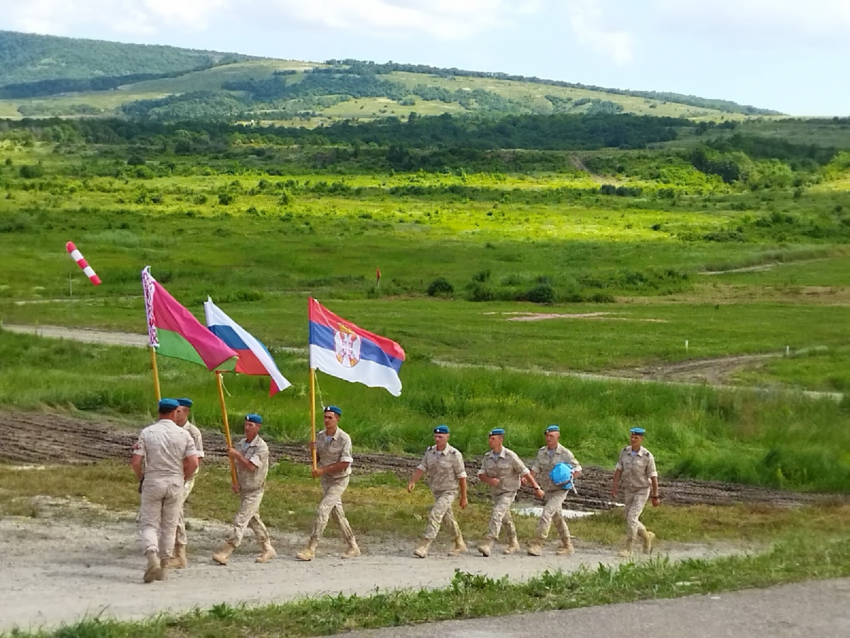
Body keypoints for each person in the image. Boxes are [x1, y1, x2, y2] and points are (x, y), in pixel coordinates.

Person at [131, 398, 199, 583]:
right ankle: (164, 564)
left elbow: (136, 462)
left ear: (159, 410)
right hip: (175, 480)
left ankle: (151, 555)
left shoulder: (148, 432)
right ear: (174, 412)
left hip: (153, 479)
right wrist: (183, 476)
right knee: (170, 525)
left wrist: (142, 478)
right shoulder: (184, 435)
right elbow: (193, 461)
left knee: (149, 524)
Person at [296, 405, 360, 561]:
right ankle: (353, 546)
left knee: (323, 510)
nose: (326, 420)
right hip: (326, 480)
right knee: (337, 514)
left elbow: (345, 463)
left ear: (337, 419)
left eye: (330, 418)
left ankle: (311, 548)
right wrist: (313, 451)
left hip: (339, 479)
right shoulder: (320, 436)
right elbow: (317, 458)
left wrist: (322, 470)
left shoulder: (344, 439)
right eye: (325, 417)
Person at [212, 413, 276, 565]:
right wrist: (235, 482)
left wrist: (237, 455)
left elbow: (251, 466)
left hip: (255, 489)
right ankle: (267, 548)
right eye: (246, 425)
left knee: (240, 520)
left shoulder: (261, 447)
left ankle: (226, 551)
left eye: (250, 425)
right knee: (253, 520)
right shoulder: (241, 444)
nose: (247, 428)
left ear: (258, 427)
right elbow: (236, 466)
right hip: (244, 488)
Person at [476, 428, 543, 557]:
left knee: (497, 513)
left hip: (509, 491)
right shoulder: (487, 457)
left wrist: (536, 487)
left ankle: (488, 542)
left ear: (501, 439)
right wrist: (489, 480)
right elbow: (481, 474)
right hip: (496, 492)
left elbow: (525, 472)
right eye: (489, 438)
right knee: (505, 518)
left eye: (493, 439)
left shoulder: (510, 456)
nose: (490, 441)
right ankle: (513, 543)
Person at [407, 424, 469, 558]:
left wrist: (464, 497)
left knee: (435, 514)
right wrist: (413, 481)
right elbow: (422, 467)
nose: (437, 439)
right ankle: (459, 543)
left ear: (447, 437)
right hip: (436, 490)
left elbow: (462, 477)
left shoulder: (455, 455)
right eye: (435, 436)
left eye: (440, 437)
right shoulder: (430, 452)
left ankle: (425, 545)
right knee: (447, 518)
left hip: (449, 491)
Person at [527, 425, 582, 556]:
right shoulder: (542, 452)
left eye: (551, 436)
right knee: (557, 518)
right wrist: (527, 479)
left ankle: (538, 544)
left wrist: (568, 478)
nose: (548, 438)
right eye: (547, 436)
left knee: (547, 513)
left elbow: (578, 469)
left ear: (558, 437)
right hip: (548, 489)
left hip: (560, 490)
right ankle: (568, 545)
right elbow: (536, 468)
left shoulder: (565, 453)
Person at [164, 397, 204, 569]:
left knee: (176, 507)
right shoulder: (169, 428)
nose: (175, 414)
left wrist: (183, 473)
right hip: (170, 474)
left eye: (179, 411)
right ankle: (169, 547)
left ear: (186, 412)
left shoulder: (193, 432)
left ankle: (180, 553)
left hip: (186, 476)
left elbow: (196, 458)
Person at [611, 427, 660, 557]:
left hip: (642, 490)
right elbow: (619, 470)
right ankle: (647, 536)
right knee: (629, 518)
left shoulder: (647, 456)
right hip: (629, 489)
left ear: (641, 439)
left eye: (636, 438)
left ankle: (629, 548)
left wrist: (655, 496)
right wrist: (614, 485)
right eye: (632, 437)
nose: (633, 440)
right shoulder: (625, 452)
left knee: (632, 517)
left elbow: (653, 477)